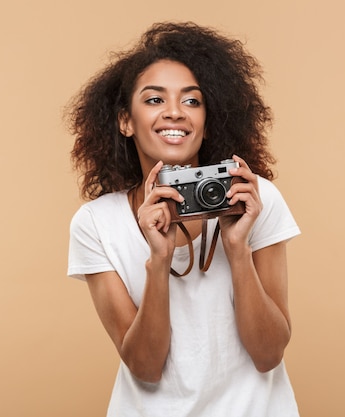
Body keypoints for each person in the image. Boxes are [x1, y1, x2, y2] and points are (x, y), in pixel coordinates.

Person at [66, 21, 301, 417]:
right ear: (125, 120)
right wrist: (158, 260)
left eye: (192, 101)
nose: (175, 112)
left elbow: (269, 354)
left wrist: (237, 249)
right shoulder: (96, 223)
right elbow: (145, 367)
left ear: (209, 119)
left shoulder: (253, 197)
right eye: (155, 100)